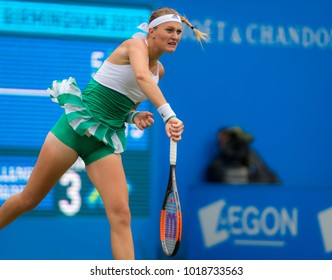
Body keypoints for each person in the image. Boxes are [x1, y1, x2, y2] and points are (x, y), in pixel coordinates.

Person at [0, 7, 209, 260]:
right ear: (152, 31)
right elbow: (141, 77)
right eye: (169, 30)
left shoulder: (160, 71)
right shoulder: (134, 45)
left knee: (121, 214)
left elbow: (128, 106)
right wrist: (169, 115)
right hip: (75, 128)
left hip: (105, 141)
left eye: (178, 32)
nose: (175, 36)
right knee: (28, 199)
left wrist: (134, 117)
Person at [206, 126, 280, 184]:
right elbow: (214, 181)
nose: (222, 141)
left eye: (225, 137)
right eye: (220, 139)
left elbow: (265, 178)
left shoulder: (250, 155)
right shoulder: (219, 161)